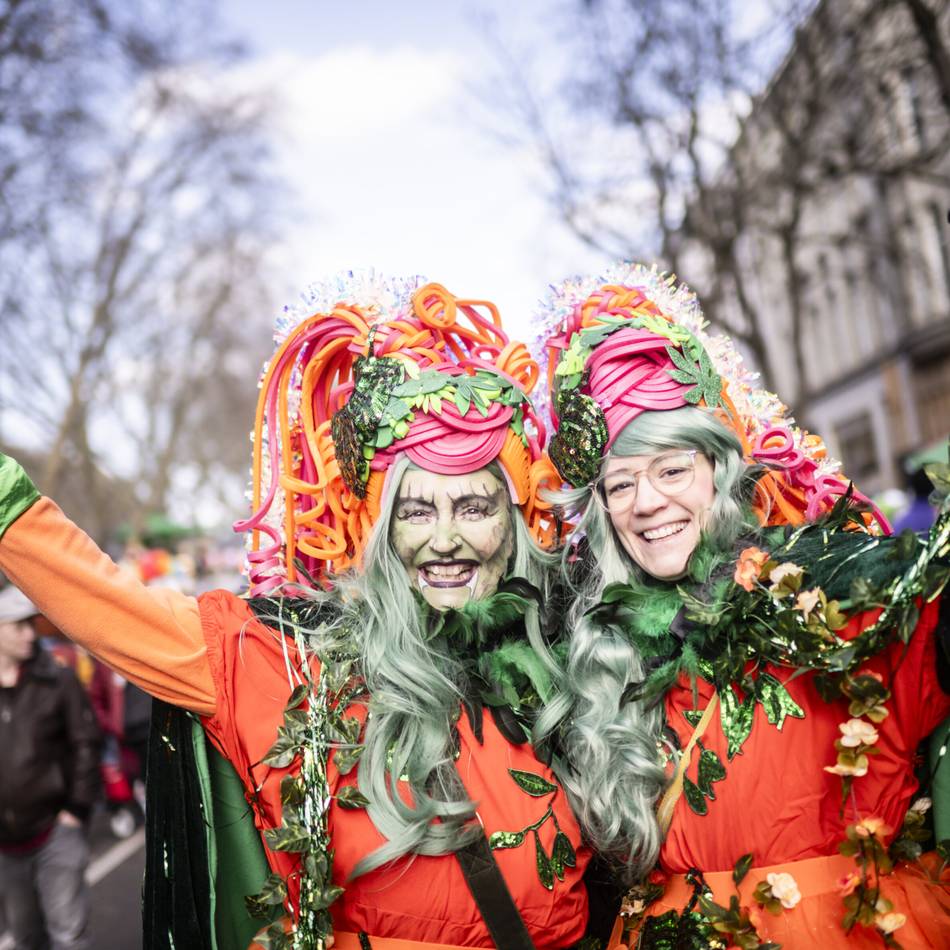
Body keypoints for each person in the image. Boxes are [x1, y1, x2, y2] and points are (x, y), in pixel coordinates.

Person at [0, 274, 613, 949]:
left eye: (473, 507)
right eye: (416, 511)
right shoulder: (290, 664)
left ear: (514, 521)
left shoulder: (574, 655)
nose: (445, 539)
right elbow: (108, 604)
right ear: (380, 529)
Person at [533, 264, 950, 948]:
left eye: (672, 470)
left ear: (719, 473)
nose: (647, 502)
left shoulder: (823, 588)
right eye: (621, 484)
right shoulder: (591, 648)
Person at [0, 585, 101, 950]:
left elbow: (86, 742)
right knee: (26, 936)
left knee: (68, 935)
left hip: (56, 830)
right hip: (6, 844)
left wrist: (76, 809)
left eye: (32, 625)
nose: (30, 634)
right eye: (19, 626)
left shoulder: (57, 678)